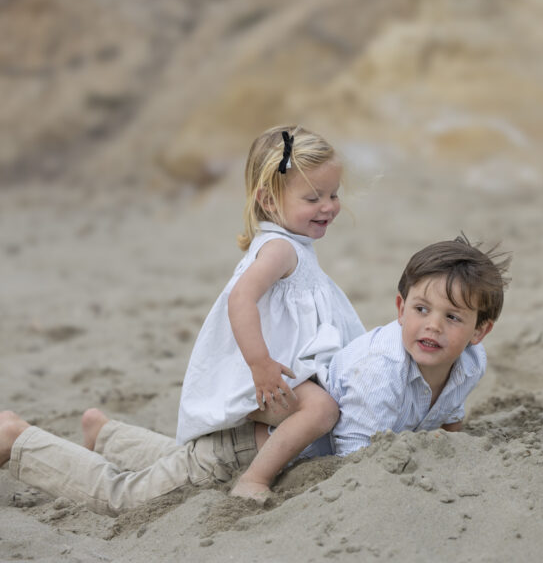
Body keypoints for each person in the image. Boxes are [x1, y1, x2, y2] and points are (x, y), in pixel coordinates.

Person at [0, 125, 365, 514]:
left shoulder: (294, 246)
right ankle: (17, 439)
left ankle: (108, 436)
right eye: (313, 197)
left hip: (248, 429)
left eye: (334, 194)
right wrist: (259, 364)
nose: (328, 206)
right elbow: (241, 298)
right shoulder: (279, 249)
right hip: (248, 424)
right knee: (124, 497)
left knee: (185, 462)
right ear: (269, 201)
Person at [324, 235, 510, 456]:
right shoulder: (379, 370)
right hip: (309, 447)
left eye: (452, 317)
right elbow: (353, 453)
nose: (433, 326)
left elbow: (451, 413)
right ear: (401, 309)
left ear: (479, 331)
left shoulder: (472, 362)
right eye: (421, 309)